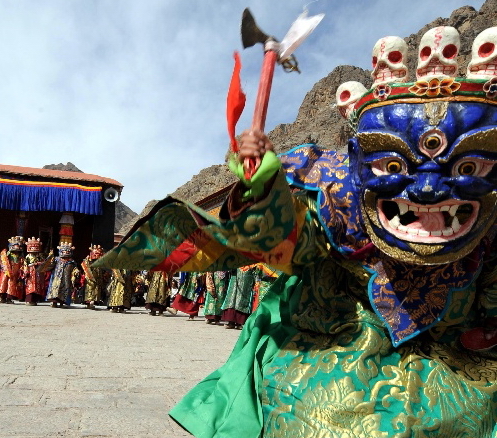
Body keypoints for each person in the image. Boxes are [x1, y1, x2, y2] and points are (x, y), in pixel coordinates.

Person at [95, 26, 497, 437]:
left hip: (456, 352)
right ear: (358, 158)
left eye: (468, 168)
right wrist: (263, 183)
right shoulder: (336, 194)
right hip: (344, 337)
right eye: (392, 167)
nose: (427, 190)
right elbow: (284, 240)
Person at [43, 241, 79, 308]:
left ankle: (62, 303)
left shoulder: (71, 262)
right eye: (64, 251)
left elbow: (75, 269)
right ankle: (54, 302)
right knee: (55, 290)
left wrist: (76, 271)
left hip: (66, 279)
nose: (65, 253)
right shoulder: (57, 260)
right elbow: (50, 266)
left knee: (64, 290)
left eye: (67, 252)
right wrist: (50, 260)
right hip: (56, 278)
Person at [81, 244, 108, 309]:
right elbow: (85, 266)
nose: (96, 255)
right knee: (89, 290)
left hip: (98, 279)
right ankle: (88, 302)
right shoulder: (88, 260)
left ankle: (93, 301)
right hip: (90, 279)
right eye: (95, 253)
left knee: (96, 291)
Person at [0, 236, 25, 304]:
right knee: (4, 284)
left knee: (11, 285)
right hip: (7, 272)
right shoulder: (8, 254)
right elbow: (4, 261)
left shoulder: (20, 256)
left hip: (15, 273)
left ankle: (9, 298)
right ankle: (2, 297)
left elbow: (22, 264)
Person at [22, 237, 47, 305]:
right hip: (30, 272)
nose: (35, 249)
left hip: (37, 273)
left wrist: (41, 264)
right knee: (30, 286)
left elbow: (43, 263)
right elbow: (25, 264)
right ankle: (29, 300)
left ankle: (34, 300)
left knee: (37, 287)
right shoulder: (28, 256)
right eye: (33, 247)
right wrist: (26, 271)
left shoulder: (39, 256)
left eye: (36, 247)